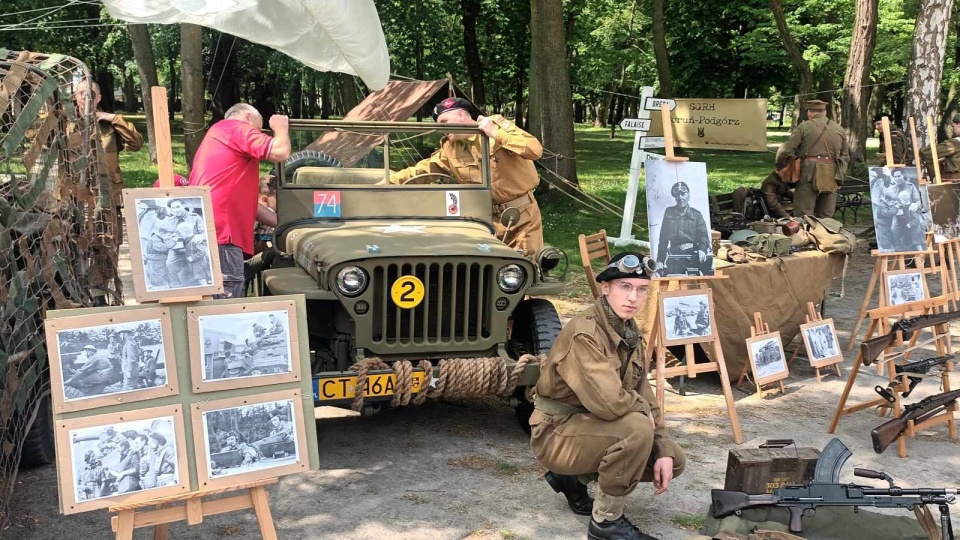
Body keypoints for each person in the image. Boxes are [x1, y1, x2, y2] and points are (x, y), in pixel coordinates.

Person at [530, 252, 685, 540]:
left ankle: (572, 478)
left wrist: (661, 444)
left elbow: (643, 392)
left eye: (641, 290)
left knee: (673, 459)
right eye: (624, 287)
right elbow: (611, 405)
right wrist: (643, 416)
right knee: (636, 430)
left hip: (588, 426)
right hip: (556, 432)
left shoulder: (626, 329)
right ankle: (606, 523)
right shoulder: (586, 333)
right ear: (605, 288)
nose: (633, 298)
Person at [386, 97, 544, 256]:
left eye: (444, 122)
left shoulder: (495, 127)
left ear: (461, 115)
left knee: (525, 268)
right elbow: (420, 171)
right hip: (484, 220)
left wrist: (496, 134)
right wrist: (384, 183)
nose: (441, 129)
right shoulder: (450, 150)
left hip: (522, 217)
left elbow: (535, 150)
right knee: (487, 271)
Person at [189, 103, 291, 299]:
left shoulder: (221, 137)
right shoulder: (235, 128)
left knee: (216, 299)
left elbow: (250, 207)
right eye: (258, 131)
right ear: (247, 118)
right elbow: (280, 152)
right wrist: (280, 128)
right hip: (223, 234)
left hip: (211, 232)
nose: (258, 135)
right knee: (228, 301)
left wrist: (286, 224)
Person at [74, 80, 143, 242]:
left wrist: (114, 118)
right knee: (75, 251)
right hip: (75, 199)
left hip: (107, 197)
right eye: (81, 93)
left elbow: (136, 144)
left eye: (90, 93)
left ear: (98, 98)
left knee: (107, 249)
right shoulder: (66, 123)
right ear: (75, 96)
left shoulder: (110, 125)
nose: (85, 97)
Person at [775, 99, 850, 218]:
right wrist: (840, 177)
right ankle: (824, 235)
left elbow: (785, 150)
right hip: (831, 173)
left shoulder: (804, 126)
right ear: (825, 112)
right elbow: (845, 156)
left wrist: (779, 166)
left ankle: (805, 236)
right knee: (826, 214)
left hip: (809, 171)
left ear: (809, 112)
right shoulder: (839, 129)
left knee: (804, 213)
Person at [654, 181, 712, 277]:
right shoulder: (669, 212)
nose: (680, 198)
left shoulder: (696, 215)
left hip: (693, 256)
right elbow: (663, 239)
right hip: (674, 258)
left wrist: (702, 250)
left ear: (688, 195)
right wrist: (660, 260)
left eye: (683, 194)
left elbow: (703, 236)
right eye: (677, 195)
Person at [165, 199, 209, 287]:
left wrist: (201, 236)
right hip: (177, 249)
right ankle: (176, 286)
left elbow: (206, 232)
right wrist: (172, 238)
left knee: (206, 257)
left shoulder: (195, 217)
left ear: (184, 206)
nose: (176, 210)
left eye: (178, 207)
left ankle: (206, 282)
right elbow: (166, 236)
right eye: (173, 208)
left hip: (194, 248)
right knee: (169, 263)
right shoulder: (169, 221)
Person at [920, 113, 960, 182]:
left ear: (959, 124)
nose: (952, 129)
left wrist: (922, 150)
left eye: (953, 126)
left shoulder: (954, 143)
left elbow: (928, 153)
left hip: (953, 181)